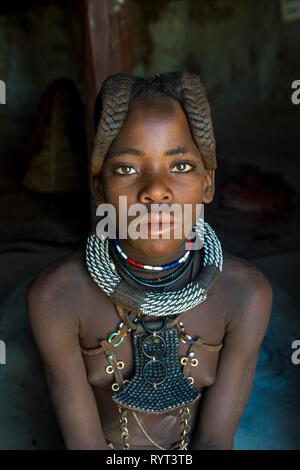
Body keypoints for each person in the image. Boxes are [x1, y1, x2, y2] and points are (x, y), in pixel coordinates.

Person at [27, 72, 273, 450]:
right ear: (99, 187)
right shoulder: (57, 298)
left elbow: (214, 440)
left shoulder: (245, 294)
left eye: (180, 167)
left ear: (208, 183)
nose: (156, 190)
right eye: (126, 168)